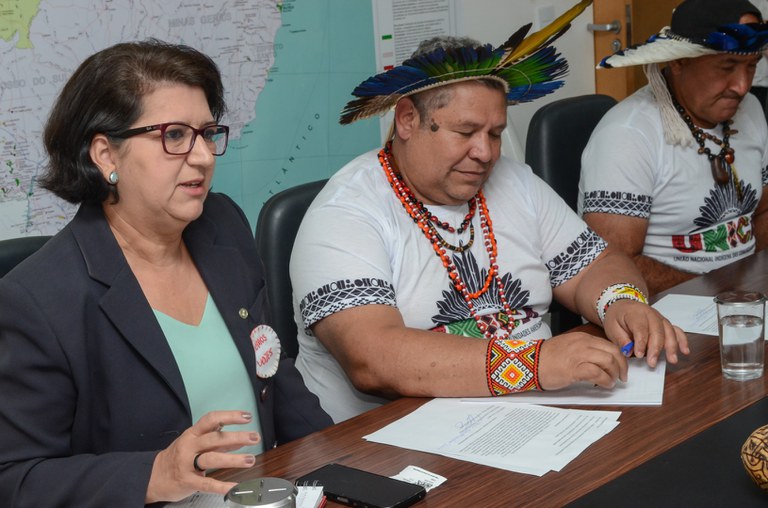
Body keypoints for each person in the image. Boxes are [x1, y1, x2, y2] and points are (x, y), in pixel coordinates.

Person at [290, 6, 689, 424]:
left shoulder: (513, 182)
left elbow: (597, 265)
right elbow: (372, 357)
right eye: (465, 132)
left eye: (495, 134)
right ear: (407, 119)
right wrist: (534, 364)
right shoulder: (343, 214)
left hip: (531, 418)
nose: (485, 153)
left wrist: (621, 302)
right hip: (389, 443)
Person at [0, 40, 332, 506]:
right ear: (106, 155)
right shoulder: (36, 299)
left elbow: (273, 374)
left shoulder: (223, 224)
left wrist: (344, 464)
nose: (202, 156)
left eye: (206, 132)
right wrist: (154, 473)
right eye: (174, 136)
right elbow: (15, 479)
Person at [578, 0, 768, 295]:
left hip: (742, 300)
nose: (742, 86)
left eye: (751, 66)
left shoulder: (751, 110)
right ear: (678, 62)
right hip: (661, 312)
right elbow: (610, 265)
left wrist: (755, 281)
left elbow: (764, 211)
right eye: (727, 66)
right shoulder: (627, 135)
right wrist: (720, 291)